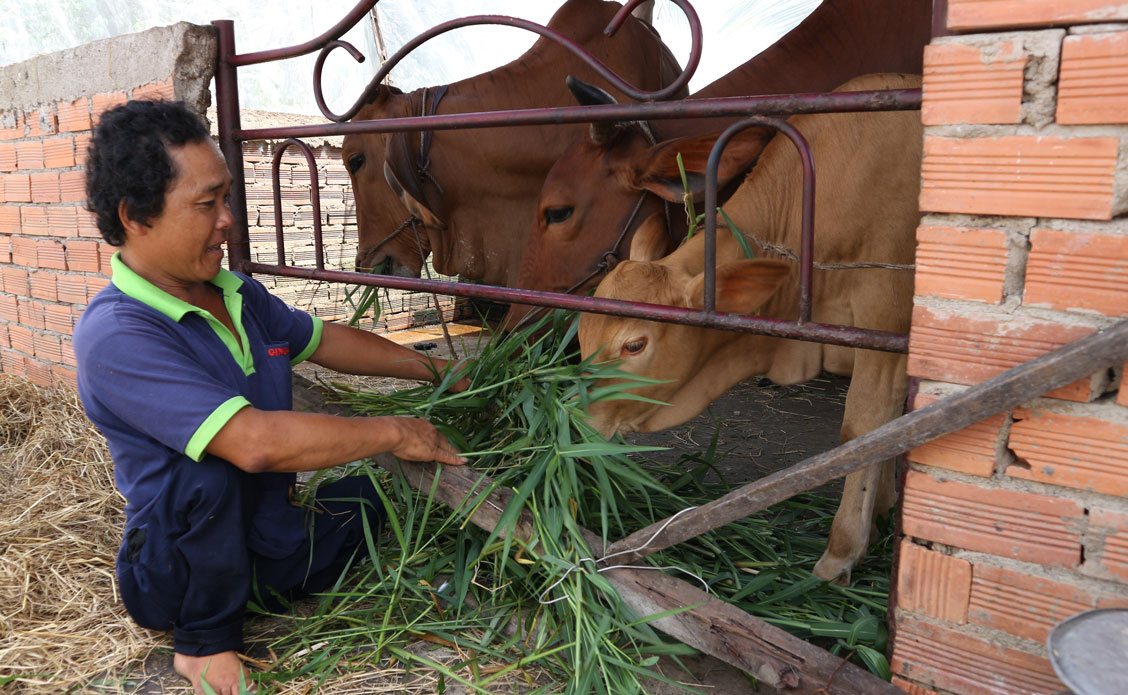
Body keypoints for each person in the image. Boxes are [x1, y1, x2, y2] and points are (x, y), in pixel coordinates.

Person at [73, 100, 469, 695]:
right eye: (207, 204)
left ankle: (268, 579)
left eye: (226, 199)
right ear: (136, 217)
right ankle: (204, 645)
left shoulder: (235, 293)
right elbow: (253, 443)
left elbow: (324, 339)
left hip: (266, 536)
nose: (228, 219)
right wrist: (395, 429)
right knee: (209, 470)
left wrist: (435, 369)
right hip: (181, 572)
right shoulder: (118, 334)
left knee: (368, 500)